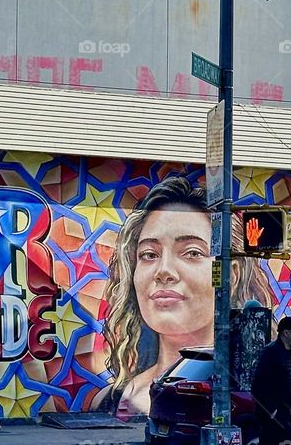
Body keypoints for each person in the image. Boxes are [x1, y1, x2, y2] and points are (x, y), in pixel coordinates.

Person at [102, 176, 274, 417]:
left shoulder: (247, 394)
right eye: (149, 254)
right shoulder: (115, 396)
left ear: (231, 276)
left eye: (192, 252)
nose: (164, 271)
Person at [236, 316, 291, 445]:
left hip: (285, 411)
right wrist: (271, 411)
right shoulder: (271, 353)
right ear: (285, 333)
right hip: (273, 414)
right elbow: (258, 386)